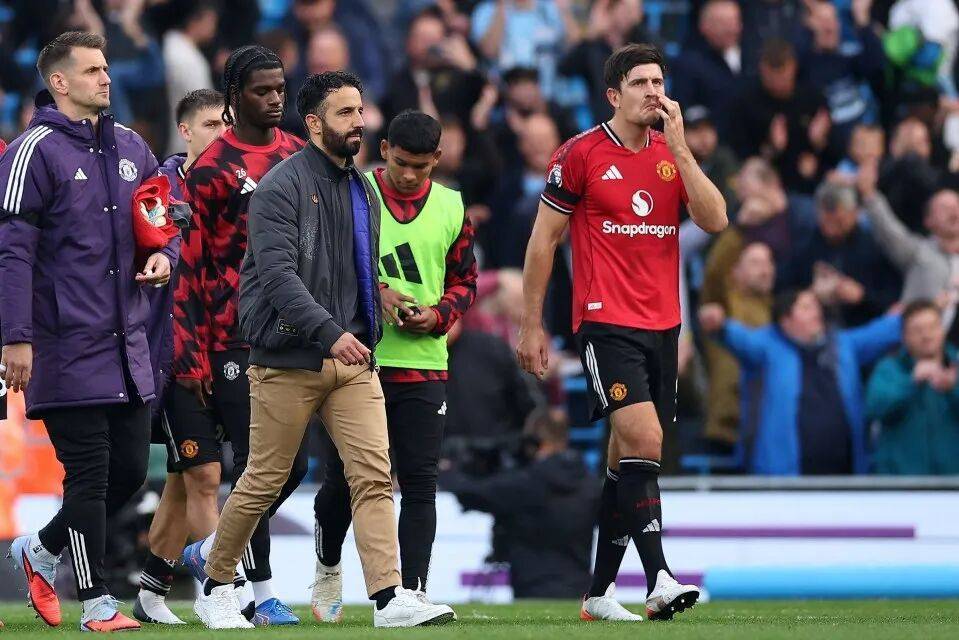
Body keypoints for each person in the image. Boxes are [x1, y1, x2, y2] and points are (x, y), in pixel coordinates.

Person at [188, 71, 455, 630]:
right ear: (313, 123)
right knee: (262, 480)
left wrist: (368, 321)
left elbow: (355, 271)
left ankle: (389, 599)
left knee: (374, 477)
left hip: (352, 361)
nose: (359, 122)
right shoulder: (278, 188)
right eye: (345, 113)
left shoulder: (363, 189)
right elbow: (280, 278)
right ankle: (215, 584)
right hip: (286, 359)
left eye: (360, 110)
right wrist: (331, 332)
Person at [517, 43, 727, 622]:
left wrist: (681, 148)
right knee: (646, 439)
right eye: (641, 82)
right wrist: (531, 323)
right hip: (604, 321)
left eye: (659, 81)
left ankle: (597, 593)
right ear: (614, 94)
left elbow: (715, 219)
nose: (653, 91)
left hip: (664, 325)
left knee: (625, 456)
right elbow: (543, 242)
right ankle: (658, 578)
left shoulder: (670, 155)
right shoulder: (580, 154)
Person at [0, 31, 174, 632]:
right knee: (91, 476)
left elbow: (161, 216)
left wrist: (163, 255)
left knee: (129, 472)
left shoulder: (131, 146)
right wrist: (15, 337)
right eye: (93, 70)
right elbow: (12, 253)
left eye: (105, 68)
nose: (106, 77)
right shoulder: (32, 151)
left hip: (127, 341)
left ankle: (40, 548)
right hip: (63, 340)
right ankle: (96, 601)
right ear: (59, 81)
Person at [311, 109, 477, 622]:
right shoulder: (352, 192)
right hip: (359, 358)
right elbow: (324, 264)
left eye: (420, 167)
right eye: (402, 163)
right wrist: (376, 292)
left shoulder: (451, 205)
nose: (409, 175)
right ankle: (328, 563)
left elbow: (465, 281)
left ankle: (414, 591)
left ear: (437, 160)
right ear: (383, 151)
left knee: (421, 481)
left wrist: (439, 314)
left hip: (425, 363)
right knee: (347, 480)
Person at [174, 46, 307, 626]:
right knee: (258, 465)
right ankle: (261, 593)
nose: (276, 99)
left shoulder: (297, 154)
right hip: (233, 336)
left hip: (295, 332)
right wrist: (192, 354)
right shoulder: (210, 169)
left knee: (293, 466)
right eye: (262, 90)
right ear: (235, 96)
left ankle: (211, 547)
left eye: (280, 88)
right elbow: (190, 268)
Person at [132, 88, 225, 626]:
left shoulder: (239, 189)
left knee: (181, 478)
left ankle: (150, 593)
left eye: (226, 123)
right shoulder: (158, 190)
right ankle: (225, 590)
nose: (221, 133)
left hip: (221, 351)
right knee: (204, 474)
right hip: (174, 355)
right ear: (185, 131)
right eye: (210, 124)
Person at [699, 290, 901, 475]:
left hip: (845, 477)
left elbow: (880, 333)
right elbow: (741, 339)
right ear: (785, 320)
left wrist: (906, 316)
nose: (816, 312)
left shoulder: (843, 344)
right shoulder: (767, 347)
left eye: (816, 306)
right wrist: (721, 325)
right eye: (806, 307)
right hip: (783, 480)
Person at [441, 408, 599, 599]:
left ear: (534, 440)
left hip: (533, 589)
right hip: (580, 590)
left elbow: (472, 492)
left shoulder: (527, 483)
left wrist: (446, 469)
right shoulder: (590, 484)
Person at [866, 300, 959, 474]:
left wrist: (953, 389)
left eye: (932, 327)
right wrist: (911, 382)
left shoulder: (956, 366)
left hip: (952, 483)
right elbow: (875, 408)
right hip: (903, 484)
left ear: (942, 329)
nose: (926, 335)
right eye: (918, 330)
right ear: (904, 336)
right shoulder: (889, 369)